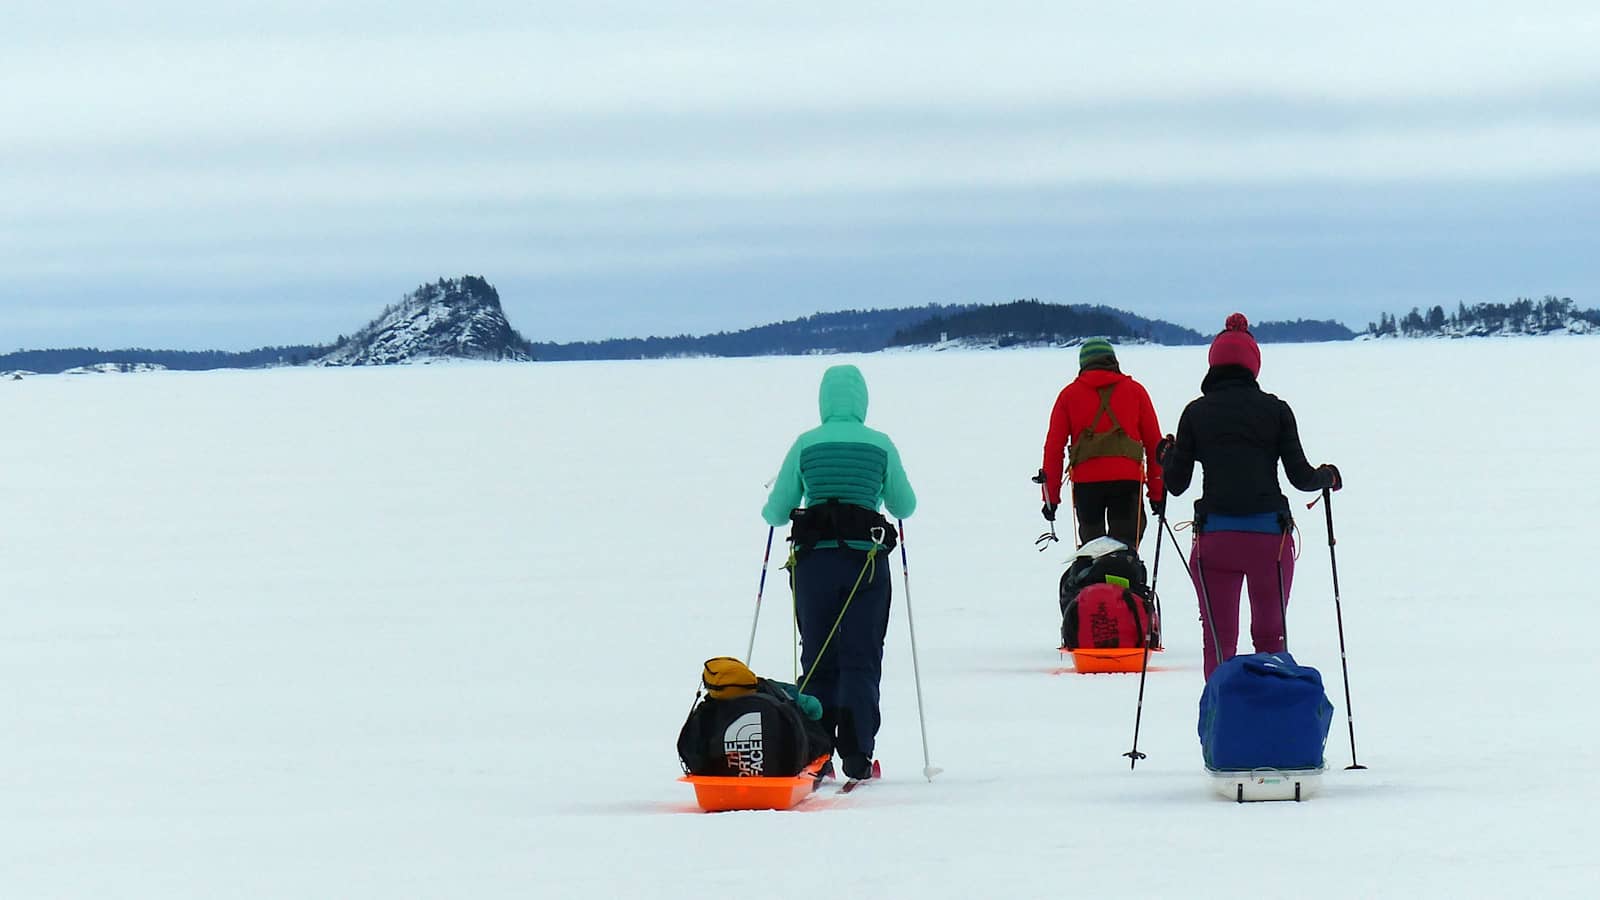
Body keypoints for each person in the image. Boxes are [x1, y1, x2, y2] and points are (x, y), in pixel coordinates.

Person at [1157, 313, 1342, 679]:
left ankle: (1221, 725)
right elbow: (1300, 477)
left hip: (1215, 541)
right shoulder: (1276, 410)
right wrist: (1328, 477)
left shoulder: (1195, 412)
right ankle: (1270, 721)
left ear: (1214, 363)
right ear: (1253, 365)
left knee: (1219, 641)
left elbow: (1176, 484)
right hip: (1269, 543)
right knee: (1270, 638)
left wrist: (1167, 457)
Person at [761, 364, 916, 782]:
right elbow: (904, 506)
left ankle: (816, 751)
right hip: (866, 565)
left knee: (817, 656)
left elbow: (776, 512)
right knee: (862, 657)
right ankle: (858, 754)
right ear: (862, 401)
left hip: (814, 565)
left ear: (824, 401)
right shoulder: (880, 444)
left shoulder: (806, 443)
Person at [1039, 338, 1165, 549]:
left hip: (1087, 486)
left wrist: (1050, 499)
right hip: (1128, 483)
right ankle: (1123, 579)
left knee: (1093, 552)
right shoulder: (1136, 392)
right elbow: (1155, 446)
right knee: (1124, 551)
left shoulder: (1068, 396)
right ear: (1113, 361)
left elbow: (1053, 449)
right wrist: (1157, 493)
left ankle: (1096, 579)